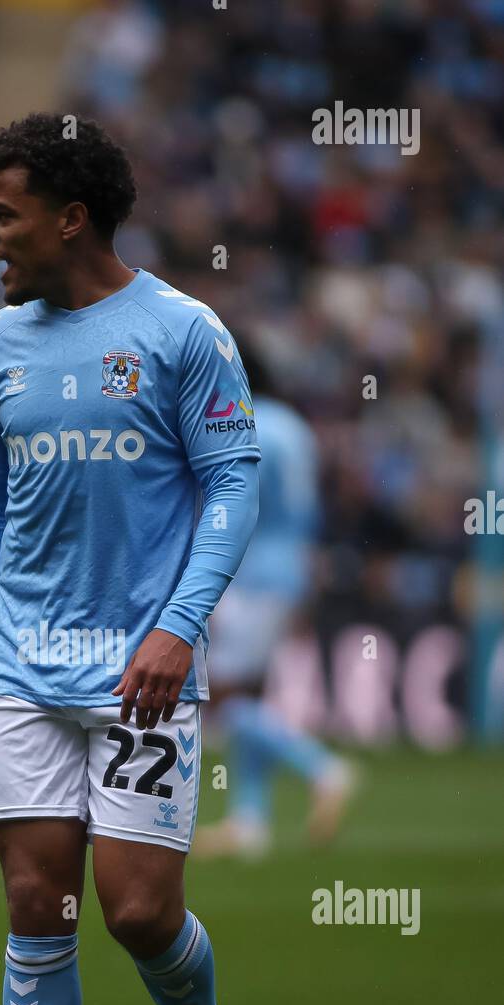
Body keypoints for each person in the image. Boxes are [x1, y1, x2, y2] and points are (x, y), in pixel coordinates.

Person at [0, 113, 260, 1005]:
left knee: (133, 912)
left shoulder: (182, 331)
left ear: (68, 218)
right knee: (36, 904)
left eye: (1, 213)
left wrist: (177, 626)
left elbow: (232, 483)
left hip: (139, 671)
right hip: (23, 664)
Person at [194, 347, 355, 859]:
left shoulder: (242, 423)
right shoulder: (297, 428)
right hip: (291, 567)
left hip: (252, 573)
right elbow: (308, 511)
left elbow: (237, 504)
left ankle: (323, 769)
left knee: (222, 696)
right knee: (250, 696)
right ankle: (250, 821)